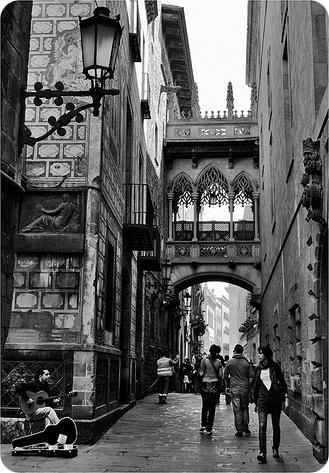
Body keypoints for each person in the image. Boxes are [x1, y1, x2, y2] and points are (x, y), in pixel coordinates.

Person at [252, 346, 288, 463]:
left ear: (266, 355)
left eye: (260, 353)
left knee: (275, 425)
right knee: (262, 425)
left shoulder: (275, 367)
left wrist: (284, 396)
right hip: (262, 400)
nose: (258, 355)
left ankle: (275, 448)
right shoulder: (258, 369)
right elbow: (255, 385)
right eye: (258, 353)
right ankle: (262, 452)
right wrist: (254, 399)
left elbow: (282, 382)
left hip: (275, 400)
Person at [224, 344, 254, 437]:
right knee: (245, 408)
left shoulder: (230, 362)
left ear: (235, 351)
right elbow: (251, 377)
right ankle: (246, 427)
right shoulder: (246, 363)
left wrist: (227, 386)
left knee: (237, 410)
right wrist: (248, 386)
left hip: (234, 389)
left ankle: (239, 430)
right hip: (244, 389)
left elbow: (225, 376)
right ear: (242, 351)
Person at [198, 344, 223, 434]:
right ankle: (209, 427)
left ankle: (203, 424)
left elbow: (201, 373)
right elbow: (220, 375)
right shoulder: (219, 362)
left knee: (205, 406)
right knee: (212, 407)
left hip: (205, 384)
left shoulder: (204, 360)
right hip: (214, 385)